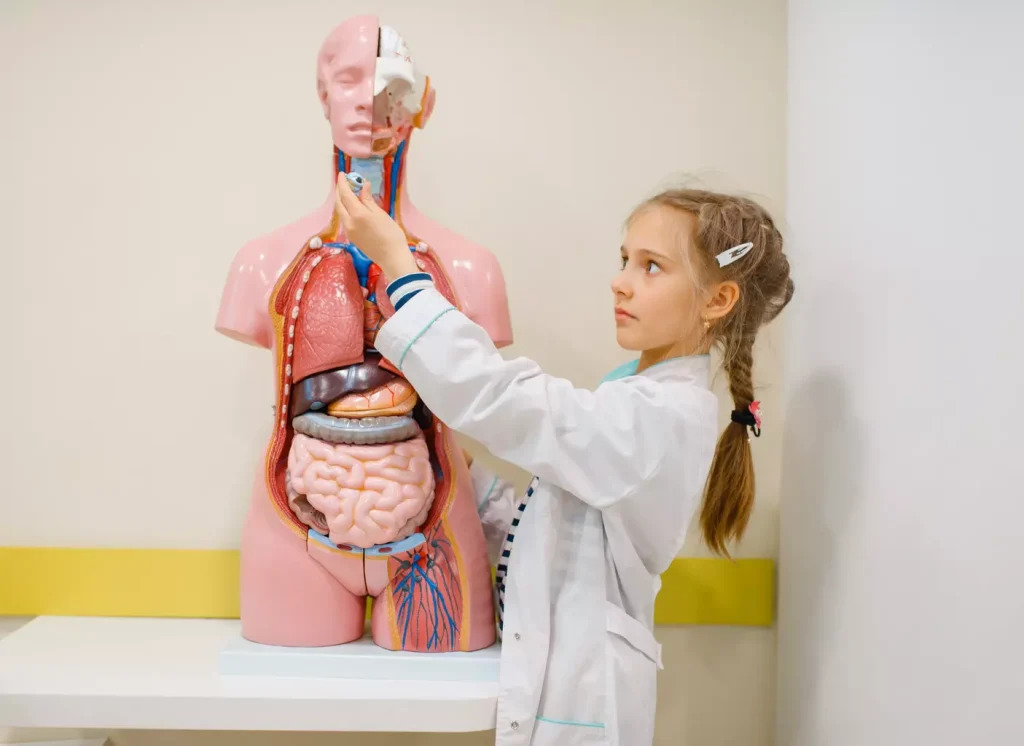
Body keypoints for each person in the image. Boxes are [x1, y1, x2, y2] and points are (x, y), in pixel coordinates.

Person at [334, 174, 794, 745]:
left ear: (717, 299)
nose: (619, 283)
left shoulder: (659, 420)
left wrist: (402, 271)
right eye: (625, 259)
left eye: (651, 266)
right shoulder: (633, 406)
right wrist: (452, 467)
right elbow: (544, 534)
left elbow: (510, 402)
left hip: (583, 706)